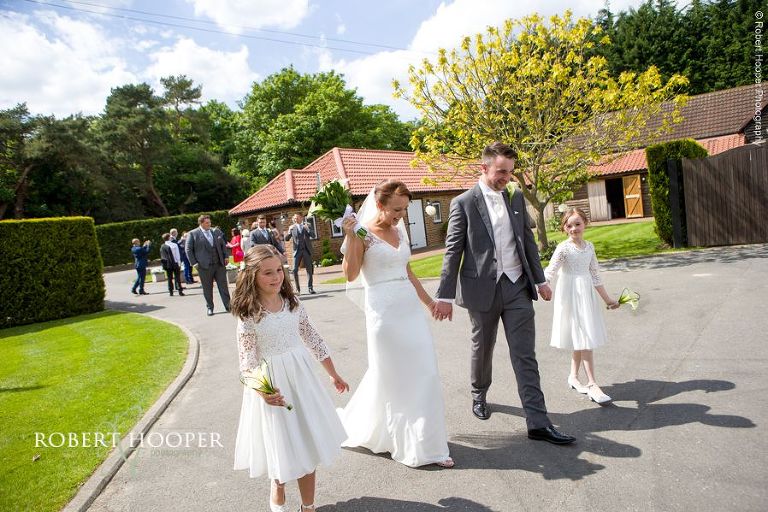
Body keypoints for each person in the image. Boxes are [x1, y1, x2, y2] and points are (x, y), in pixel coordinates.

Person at [433, 141, 576, 445]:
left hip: (517, 287)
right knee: (482, 348)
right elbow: (452, 251)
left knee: (525, 355)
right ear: (483, 168)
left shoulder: (515, 197)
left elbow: (527, 242)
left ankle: (538, 421)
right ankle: (479, 393)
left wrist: (540, 280)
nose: (506, 178)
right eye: (501, 172)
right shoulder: (463, 203)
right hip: (481, 288)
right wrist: (444, 297)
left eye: (510, 173)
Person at [338, 179, 453, 468]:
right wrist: (351, 236)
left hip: (409, 310)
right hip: (383, 314)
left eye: (403, 210)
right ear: (379, 205)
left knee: (424, 371)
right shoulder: (363, 233)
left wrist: (429, 303)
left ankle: (428, 441)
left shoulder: (399, 230)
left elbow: (408, 270)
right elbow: (351, 275)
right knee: (394, 377)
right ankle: (405, 443)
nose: (400, 215)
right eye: (395, 210)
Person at [232, 245, 349, 512]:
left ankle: (308, 506)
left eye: (279, 271)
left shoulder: (293, 304)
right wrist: (263, 391)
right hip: (273, 386)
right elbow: (247, 362)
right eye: (267, 273)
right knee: (282, 449)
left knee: (308, 444)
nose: (276, 278)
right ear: (252, 276)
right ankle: (279, 487)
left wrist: (333, 374)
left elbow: (314, 340)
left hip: (301, 381)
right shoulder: (249, 314)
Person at [544, 207, 618, 405]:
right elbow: (550, 271)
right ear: (564, 228)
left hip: (586, 296)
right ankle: (593, 384)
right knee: (584, 337)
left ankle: (574, 377)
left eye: (578, 224)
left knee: (582, 336)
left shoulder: (590, 247)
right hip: (569, 296)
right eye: (569, 225)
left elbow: (595, 275)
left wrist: (608, 299)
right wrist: (540, 286)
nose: (574, 228)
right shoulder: (563, 248)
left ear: (585, 223)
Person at [185, 214, 231, 316]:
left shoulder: (216, 231)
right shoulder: (193, 234)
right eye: (207, 223)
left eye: (210, 222)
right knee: (207, 288)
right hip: (204, 266)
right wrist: (194, 263)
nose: (209, 224)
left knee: (223, 286)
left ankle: (228, 305)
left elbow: (223, 244)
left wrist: (226, 256)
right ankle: (210, 308)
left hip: (219, 264)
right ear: (201, 223)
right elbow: (188, 249)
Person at [284, 213, 315, 295]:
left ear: (301, 218)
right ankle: (298, 289)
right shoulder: (292, 228)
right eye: (294, 218)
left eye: (296, 217)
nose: (295, 219)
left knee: (309, 269)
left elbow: (313, 235)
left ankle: (310, 288)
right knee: (294, 270)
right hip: (297, 251)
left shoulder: (307, 225)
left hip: (306, 250)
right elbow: (286, 239)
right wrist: (289, 231)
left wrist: (308, 229)